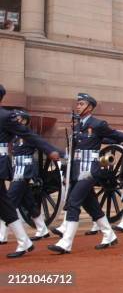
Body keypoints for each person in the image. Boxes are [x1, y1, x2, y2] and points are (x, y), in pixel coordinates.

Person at [49, 93, 123, 254]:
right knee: (92, 206)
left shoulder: (98, 124)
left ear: (90, 107)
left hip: (90, 170)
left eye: (81, 103)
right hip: (78, 170)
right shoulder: (77, 125)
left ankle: (66, 242)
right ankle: (109, 235)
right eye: (77, 103)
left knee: (73, 202)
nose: (78, 106)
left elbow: (115, 135)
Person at [0, 84, 61, 258]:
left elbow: (30, 136)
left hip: (12, 166)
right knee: (6, 204)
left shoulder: (5, 116)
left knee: (7, 202)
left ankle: (22, 240)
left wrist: (49, 150)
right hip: (14, 167)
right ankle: (25, 240)